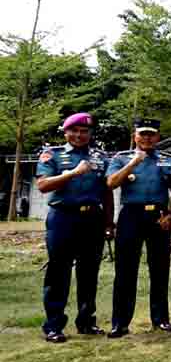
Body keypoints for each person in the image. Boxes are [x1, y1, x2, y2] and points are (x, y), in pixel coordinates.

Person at [35, 113, 114, 343]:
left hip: (93, 219)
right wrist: (72, 173)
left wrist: (109, 222)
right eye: (75, 131)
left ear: (90, 134)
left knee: (89, 273)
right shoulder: (53, 155)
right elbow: (42, 185)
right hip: (63, 218)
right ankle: (54, 326)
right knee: (58, 273)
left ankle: (86, 321)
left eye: (85, 131)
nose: (80, 135)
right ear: (66, 132)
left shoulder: (100, 157)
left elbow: (107, 191)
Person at [106, 118, 171, 338]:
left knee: (159, 270)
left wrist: (170, 214)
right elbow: (111, 184)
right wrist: (133, 163)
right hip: (131, 214)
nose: (147, 137)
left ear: (158, 137)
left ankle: (161, 319)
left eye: (152, 134)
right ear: (135, 136)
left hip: (158, 217)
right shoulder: (121, 159)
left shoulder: (167, 161)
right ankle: (120, 322)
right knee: (125, 271)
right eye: (143, 134)